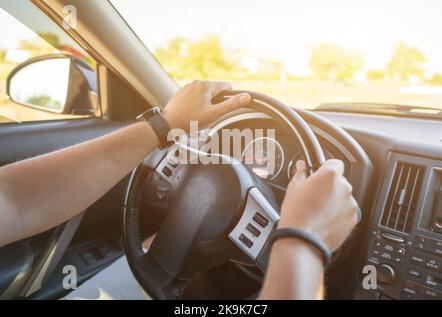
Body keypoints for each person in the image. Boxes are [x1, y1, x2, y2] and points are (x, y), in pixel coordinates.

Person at [0, 80, 359, 300]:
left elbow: (14, 202)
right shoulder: (304, 240)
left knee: (153, 252)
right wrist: (304, 240)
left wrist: (165, 123)